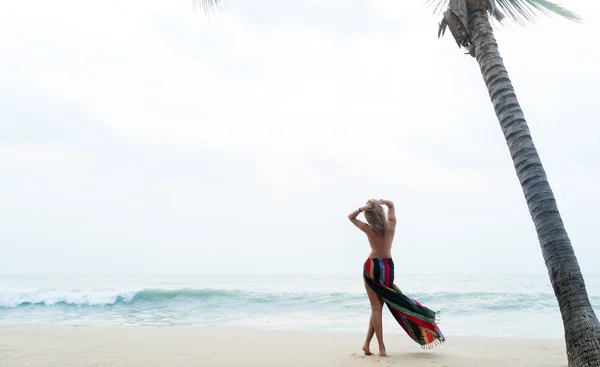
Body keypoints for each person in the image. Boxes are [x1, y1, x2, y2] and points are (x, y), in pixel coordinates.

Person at [348, 198, 445, 356]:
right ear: (380, 211)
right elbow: (391, 204)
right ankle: (366, 345)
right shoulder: (391, 225)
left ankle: (381, 347)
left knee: (375, 308)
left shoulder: (369, 228)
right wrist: (382, 202)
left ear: (369, 215)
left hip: (372, 266)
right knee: (378, 308)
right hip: (388, 267)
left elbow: (350, 217)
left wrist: (363, 208)